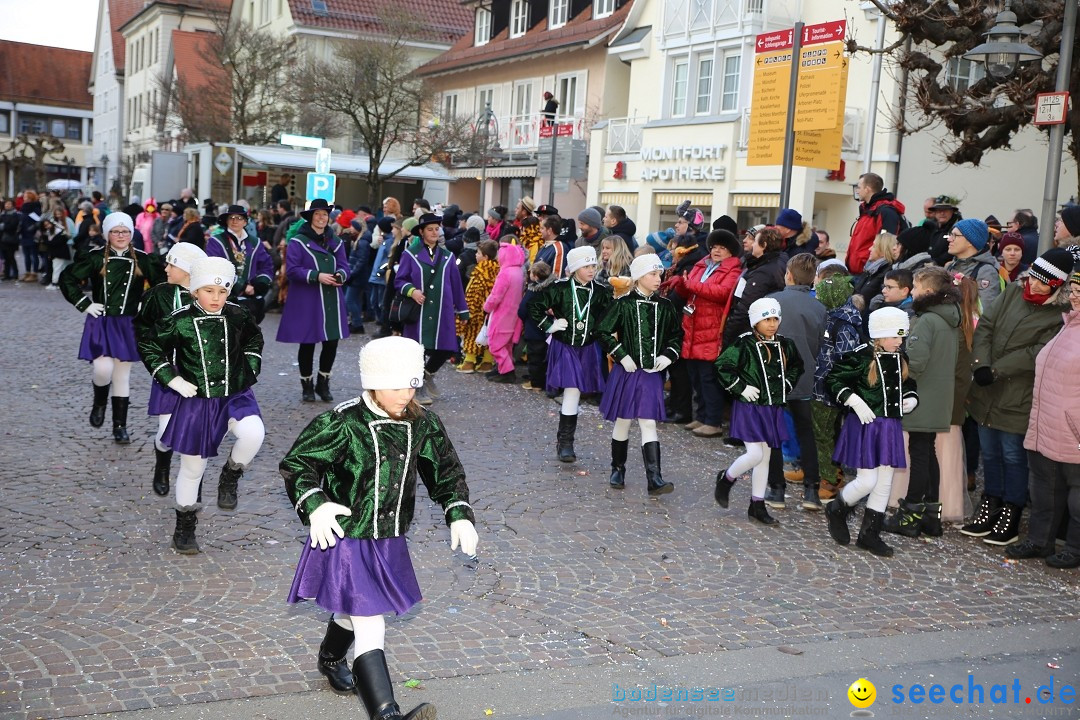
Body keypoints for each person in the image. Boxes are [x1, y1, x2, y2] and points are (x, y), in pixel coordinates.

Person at [281, 336, 477, 718]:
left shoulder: (423, 423)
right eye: (394, 385)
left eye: (412, 383)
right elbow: (299, 463)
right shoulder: (344, 422)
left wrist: (459, 513)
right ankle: (387, 714)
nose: (405, 393)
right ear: (372, 383)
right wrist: (316, 506)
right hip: (345, 536)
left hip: (388, 537)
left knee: (353, 610)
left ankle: (330, 656)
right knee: (371, 622)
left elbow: (446, 471)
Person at [138, 257, 265, 551]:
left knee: (254, 434)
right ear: (195, 290)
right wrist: (172, 379)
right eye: (208, 291)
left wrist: (250, 366)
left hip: (235, 393)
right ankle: (184, 527)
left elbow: (253, 340)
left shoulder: (238, 314)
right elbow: (150, 346)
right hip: (197, 400)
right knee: (193, 468)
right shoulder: (179, 319)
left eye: (222, 292)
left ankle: (231, 474)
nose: (216, 298)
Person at [960, 247, 1074, 546]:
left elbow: (1035, 352)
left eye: (1043, 282)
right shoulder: (1012, 292)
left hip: (1018, 394)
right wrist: (981, 364)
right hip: (986, 388)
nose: (1034, 285)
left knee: (1012, 456)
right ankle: (990, 502)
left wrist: (995, 370)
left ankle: (1012, 508)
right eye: (1033, 277)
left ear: (1058, 285)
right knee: (991, 453)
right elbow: (986, 327)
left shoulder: (1059, 314)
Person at [58, 212, 164, 443]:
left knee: (122, 375)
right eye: (115, 231)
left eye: (125, 231)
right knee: (102, 368)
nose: (121, 235)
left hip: (128, 322)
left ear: (131, 233)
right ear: (107, 234)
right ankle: (99, 402)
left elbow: (161, 287)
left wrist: (144, 303)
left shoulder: (144, 259)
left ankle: (120, 426)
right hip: (101, 320)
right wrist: (85, 304)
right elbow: (67, 278)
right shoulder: (95, 258)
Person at [824, 307, 919, 557]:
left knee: (884, 481)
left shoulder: (899, 356)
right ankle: (838, 508)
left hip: (889, 426)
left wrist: (910, 398)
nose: (900, 342)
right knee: (868, 480)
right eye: (896, 336)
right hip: (867, 425)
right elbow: (833, 379)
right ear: (880, 335)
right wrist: (853, 400)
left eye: (902, 337)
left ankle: (870, 534)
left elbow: (908, 383)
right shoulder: (861, 357)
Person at [884, 266, 962, 538]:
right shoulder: (949, 318)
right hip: (938, 397)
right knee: (928, 454)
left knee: (919, 454)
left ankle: (910, 516)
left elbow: (915, 363)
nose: (913, 292)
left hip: (922, 396)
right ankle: (931, 515)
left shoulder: (927, 320)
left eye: (915, 288)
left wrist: (895, 367)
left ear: (927, 292)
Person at [1009, 269, 1080, 568]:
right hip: (1046, 424)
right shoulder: (1068, 324)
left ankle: (1075, 548)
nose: (1074, 295)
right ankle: (1039, 541)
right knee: (1044, 490)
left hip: (1072, 432)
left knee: (1077, 498)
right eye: (1073, 289)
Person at [596, 254, 681, 495]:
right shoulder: (623, 304)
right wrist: (621, 354)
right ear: (639, 277)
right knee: (623, 419)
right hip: (627, 371)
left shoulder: (665, 306)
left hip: (652, 373)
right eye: (652, 274)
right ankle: (618, 468)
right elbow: (602, 331)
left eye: (659, 274)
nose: (658, 279)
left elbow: (676, 336)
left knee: (648, 421)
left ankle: (654, 478)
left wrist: (668, 355)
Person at [713, 298, 803, 525]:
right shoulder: (744, 343)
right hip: (750, 406)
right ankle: (727, 478)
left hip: (772, 407)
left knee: (766, 458)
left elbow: (796, 366)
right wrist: (740, 387)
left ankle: (757, 504)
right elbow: (722, 366)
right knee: (755, 455)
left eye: (775, 319)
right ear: (755, 322)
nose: (772, 324)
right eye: (766, 319)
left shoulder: (785, 344)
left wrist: (787, 384)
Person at [133, 242, 207, 496]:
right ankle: (162, 464)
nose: (165, 269)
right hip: (170, 370)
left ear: (186, 270)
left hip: (201, 374)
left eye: (171, 264)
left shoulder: (209, 293)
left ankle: (193, 478)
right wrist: (157, 351)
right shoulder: (159, 294)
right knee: (166, 432)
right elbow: (142, 327)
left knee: (197, 430)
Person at [528, 246, 614, 462]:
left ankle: (565, 441)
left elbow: (610, 316)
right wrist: (551, 324)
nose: (591, 270)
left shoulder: (601, 292)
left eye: (593, 265)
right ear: (575, 268)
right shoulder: (561, 289)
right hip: (565, 346)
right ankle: (565, 443)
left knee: (574, 392)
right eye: (586, 266)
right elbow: (534, 307)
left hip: (587, 348)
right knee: (572, 390)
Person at [662, 229, 742, 438]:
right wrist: (680, 284)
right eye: (714, 247)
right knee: (695, 375)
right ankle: (702, 416)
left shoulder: (732, 270)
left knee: (709, 378)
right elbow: (690, 288)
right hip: (693, 326)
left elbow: (721, 293)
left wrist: (691, 284)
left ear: (730, 252)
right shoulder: (702, 264)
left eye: (722, 248)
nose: (716, 251)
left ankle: (713, 421)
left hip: (711, 328)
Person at [763, 254, 828, 511]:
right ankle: (811, 490)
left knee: (774, 432)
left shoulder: (773, 301)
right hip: (804, 375)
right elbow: (821, 345)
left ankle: (777, 488)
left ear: (789, 275)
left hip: (776, 376)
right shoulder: (819, 307)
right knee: (805, 431)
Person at [277, 198, 350, 403]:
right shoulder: (298, 242)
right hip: (307, 298)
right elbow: (292, 270)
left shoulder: (335, 241)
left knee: (331, 342)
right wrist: (317, 276)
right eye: (317, 214)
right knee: (308, 342)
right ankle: (307, 386)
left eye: (325, 214)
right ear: (310, 217)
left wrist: (340, 276)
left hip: (331, 299)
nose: (321, 218)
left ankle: (323, 382)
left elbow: (345, 266)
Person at [395, 212, 469, 405]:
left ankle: (427, 374)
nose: (435, 232)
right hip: (419, 311)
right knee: (418, 349)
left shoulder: (448, 256)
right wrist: (412, 291)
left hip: (442, 311)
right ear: (421, 232)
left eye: (437, 229)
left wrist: (463, 310)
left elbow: (456, 285)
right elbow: (400, 280)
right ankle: (417, 386)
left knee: (446, 347)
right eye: (430, 229)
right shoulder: (410, 254)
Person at [811, 272, 863, 500]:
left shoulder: (843, 325)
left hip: (829, 390)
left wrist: (837, 386)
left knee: (824, 434)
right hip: (820, 386)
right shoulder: (832, 318)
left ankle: (830, 480)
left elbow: (846, 360)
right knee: (824, 432)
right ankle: (821, 470)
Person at [722, 226, 788, 349]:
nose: (753, 245)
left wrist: (727, 337)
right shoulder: (776, 262)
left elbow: (744, 308)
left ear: (764, 245)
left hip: (749, 332)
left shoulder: (763, 272)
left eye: (756, 242)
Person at [208, 205, 274, 324]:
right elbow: (214, 267)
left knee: (248, 337)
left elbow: (266, 266)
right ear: (226, 221)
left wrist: (259, 285)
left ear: (245, 222)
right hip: (224, 296)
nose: (234, 221)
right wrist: (241, 286)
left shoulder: (255, 242)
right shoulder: (216, 241)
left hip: (250, 298)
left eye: (239, 218)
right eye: (231, 218)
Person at [846, 173, 907, 275]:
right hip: (859, 271)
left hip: (870, 271)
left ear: (867, 189)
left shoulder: (884, 212)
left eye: (859, 187)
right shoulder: (868, 210)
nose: (857, 191)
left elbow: (885, 244)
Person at [483, 243, 526, 383]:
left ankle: (507, 371)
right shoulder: (518, 271)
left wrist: (487, 307)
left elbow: (496, 295)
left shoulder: (505, 273)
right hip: (514, 314)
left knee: (495, 344)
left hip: (502, 313)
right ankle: (503, 369)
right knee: (506, 344)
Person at [944, 218, 1002, 311]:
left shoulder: (986, 272)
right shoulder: (950, 266)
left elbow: (986, 312)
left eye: (955, 235)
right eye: (950, 235)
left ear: (970, 241)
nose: (949, 239)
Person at [519, 261, 553, 391]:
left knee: (535, 357)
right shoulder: (552, 288)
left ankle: (536, 383)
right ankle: (546, 381)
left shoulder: (532, 291)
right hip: (548, 329)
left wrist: (525, 320)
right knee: (546, 357)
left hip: (533, 329)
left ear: (535, 276)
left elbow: (522, 310)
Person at [926, 196, 962, 265]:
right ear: (935, 213)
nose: (942, 213)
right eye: (939, 210)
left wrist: (935, 262)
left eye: (945, 210)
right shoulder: (931, 228)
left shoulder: (958, 229)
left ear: (952, 212)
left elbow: (955, 250)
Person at [535, 214, 569, 279]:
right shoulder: (544, 246)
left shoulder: (559, 248)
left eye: (542, 228)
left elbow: (556, 278)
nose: (540, 231)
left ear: (549, 231)